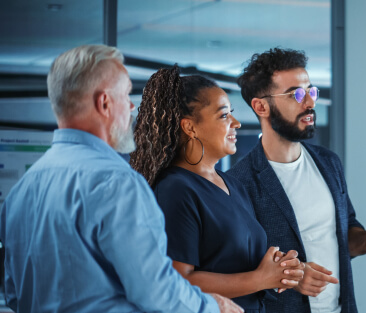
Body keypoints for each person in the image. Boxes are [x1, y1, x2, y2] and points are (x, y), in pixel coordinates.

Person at [0, 45, 243, 312]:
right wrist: (212, 306)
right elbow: (155, 290)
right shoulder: (117, 183)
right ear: (104, 103)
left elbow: (13, 293)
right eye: (126, 94)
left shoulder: (21, 191)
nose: (130, 106)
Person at [228, 48, 366, 313]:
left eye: (311, 91)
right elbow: (239, 267)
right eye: (296, 93)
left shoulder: (329, 163)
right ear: (261, 106)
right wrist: (291, 276)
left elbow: (343, 236)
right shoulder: (238, 182)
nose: (309, 103)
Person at [129, 66, 306, 313]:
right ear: (190, 128)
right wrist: (260, 279)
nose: (236, 122)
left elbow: (236, 262)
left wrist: (280, 269)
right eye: (224, 116)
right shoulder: (174, 190)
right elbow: (178, 281)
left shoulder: (233, 185)